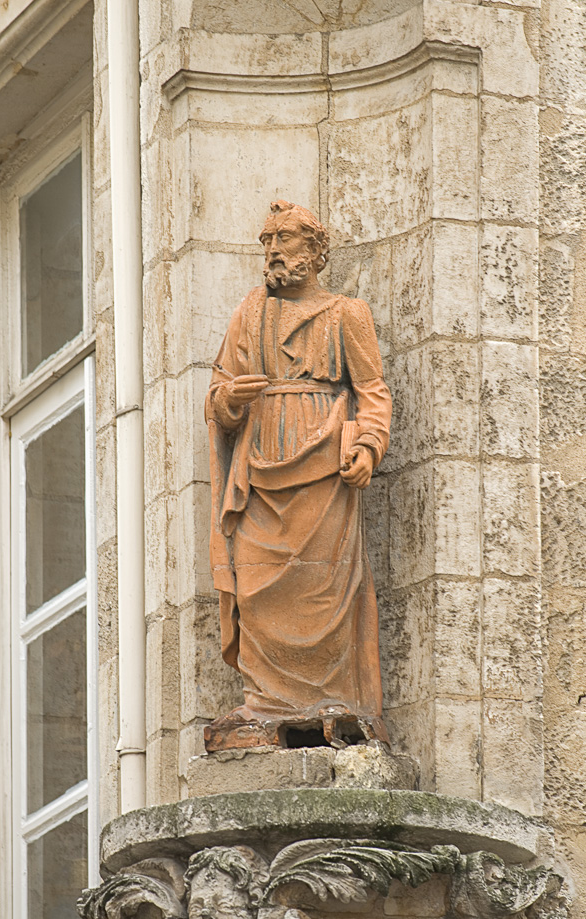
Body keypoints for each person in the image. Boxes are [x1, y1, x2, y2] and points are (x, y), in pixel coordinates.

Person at [204, 201, 393, 750]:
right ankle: (265, 705)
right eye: (268, 239)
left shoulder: (346, 314)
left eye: (285, 238)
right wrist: (229, 401)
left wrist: (368, 443)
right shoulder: (249, 314)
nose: (273, 249)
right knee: (258, 585)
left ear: (314, 250)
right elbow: (218, 395)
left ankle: (336, 701)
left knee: (323, 587)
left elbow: (372, 393)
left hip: (324, 471)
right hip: (260, 467)